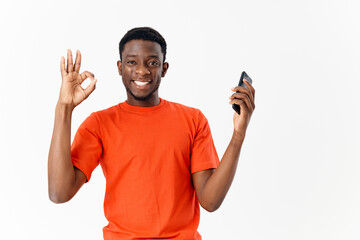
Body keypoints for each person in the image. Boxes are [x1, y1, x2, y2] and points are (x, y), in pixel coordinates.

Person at [48, 27, 255, 240]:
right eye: (131, 62)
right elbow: (59, 192)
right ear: (119, 67)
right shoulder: (99, 123)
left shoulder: (193, 120)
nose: (142, 71)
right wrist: (64, 107)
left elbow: (210, 201)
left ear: (164, 69)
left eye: (152, 63)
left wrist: (238, 135)